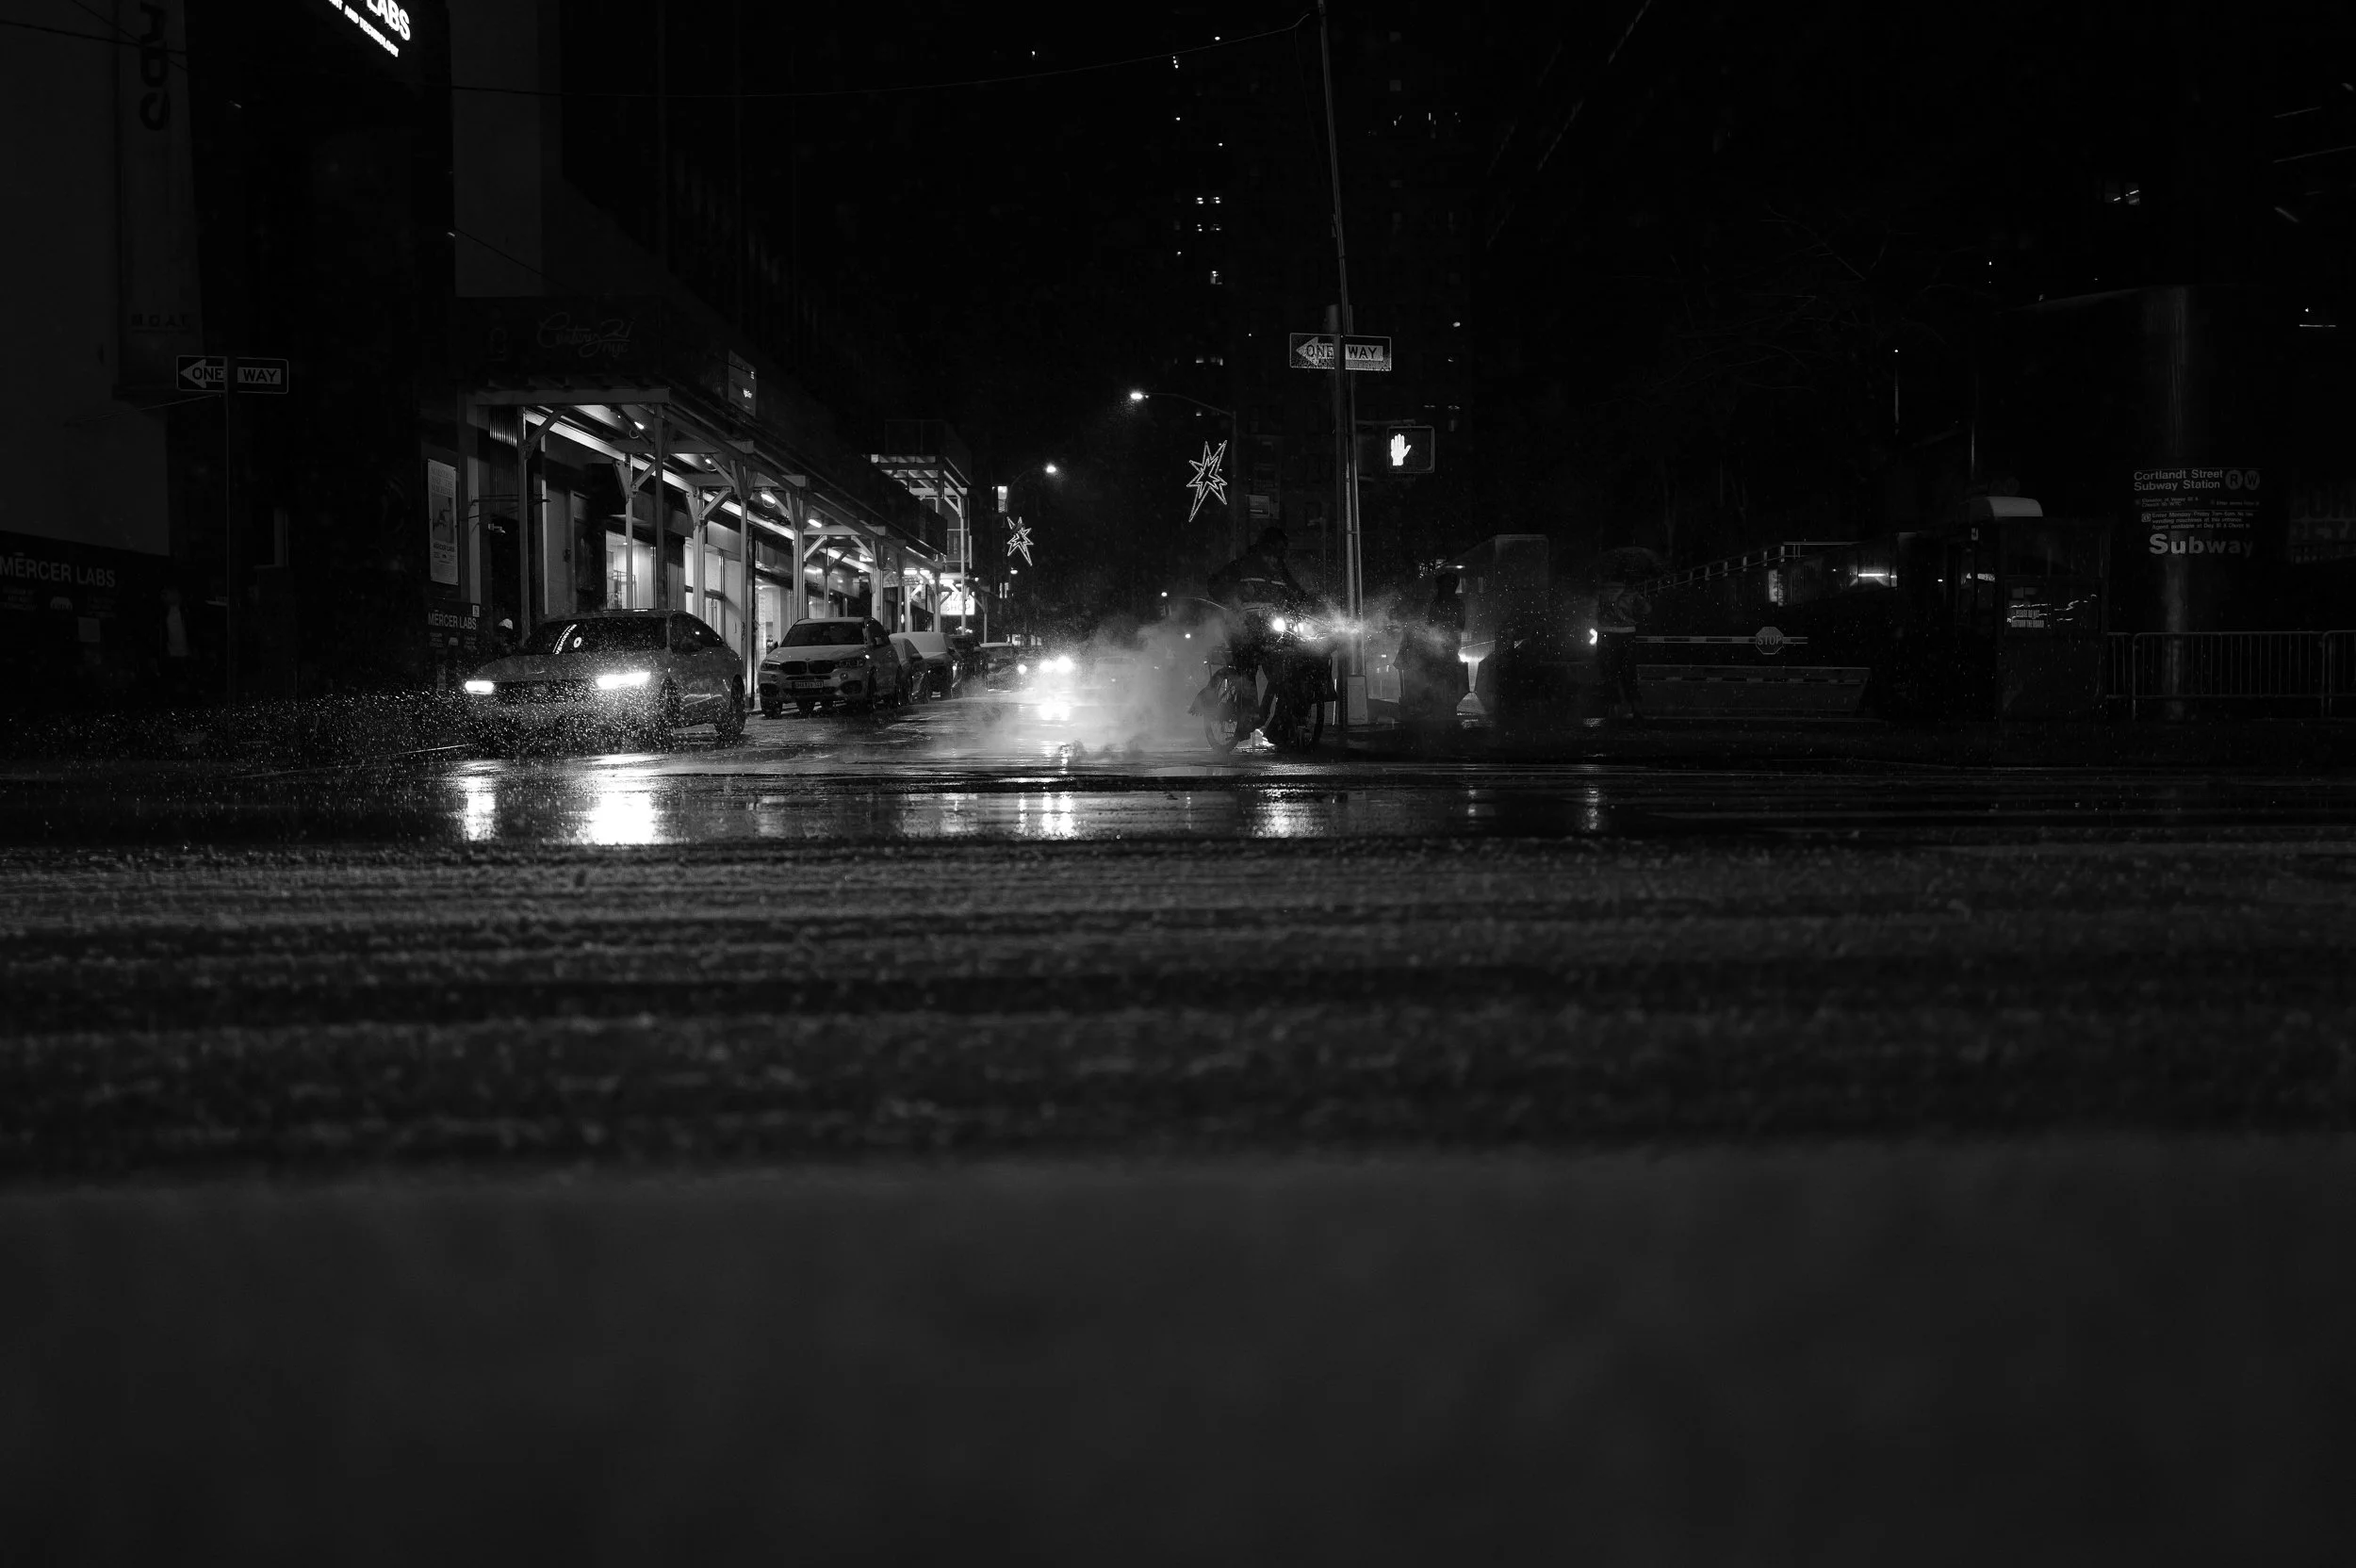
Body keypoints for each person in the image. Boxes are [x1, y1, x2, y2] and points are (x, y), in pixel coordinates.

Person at [1595, 579, 1649, 725]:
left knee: (1609, 672)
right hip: (1627, 633)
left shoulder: (1601, 593)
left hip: (1606, 633)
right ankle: (1636, 709)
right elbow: (1646, 609)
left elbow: (1591, 612)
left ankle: (1612, 708)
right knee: (1629, 673)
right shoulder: (1631, 593)